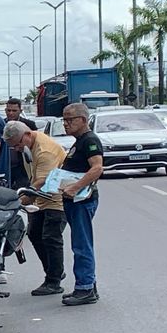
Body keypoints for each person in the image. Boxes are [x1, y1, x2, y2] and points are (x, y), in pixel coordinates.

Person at [3, 120, 67, 295]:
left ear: (27, 134)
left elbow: (41, 182)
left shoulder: (44, 150)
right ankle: (54, 271)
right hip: (41, 199)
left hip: (56, 198)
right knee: (34, 233)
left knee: (51, 237)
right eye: (13, 147)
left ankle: (53, 280)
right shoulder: (28, 147)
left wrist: (17, 201)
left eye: (17, 144)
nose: (16, 149)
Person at [57, 102, 105, 306]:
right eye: (64, 120)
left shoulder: (90, 140)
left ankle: (84, 288)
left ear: (83, 120)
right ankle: (88, 285)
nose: (66, 124)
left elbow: (97, 168)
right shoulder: (79, 141)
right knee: (80, 242)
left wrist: (75, 187)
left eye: (70, 119)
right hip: (72, 200)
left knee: (81, 244)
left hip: (81, 200)